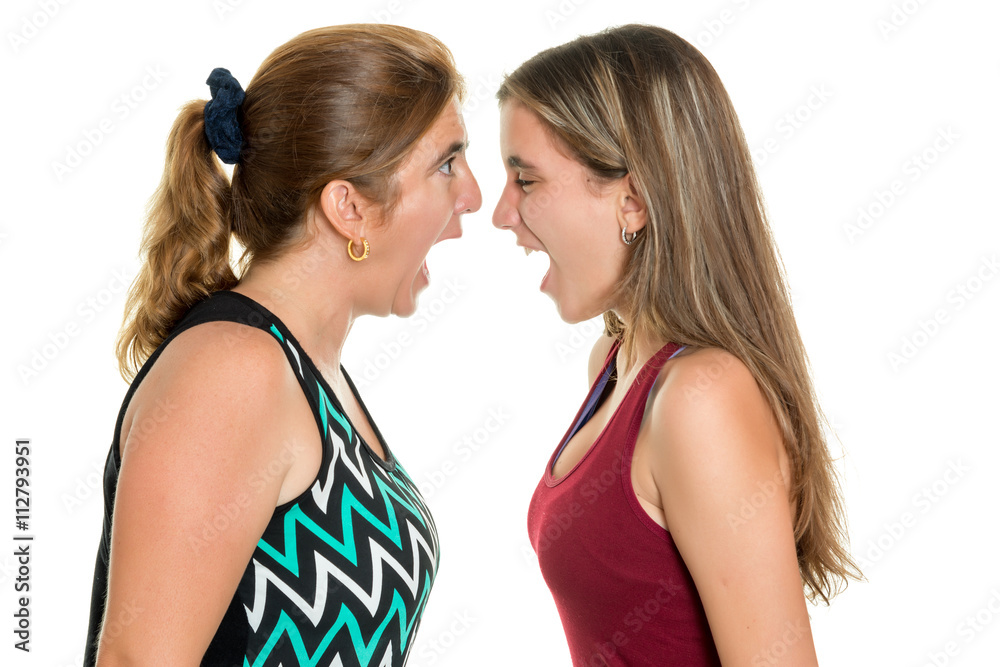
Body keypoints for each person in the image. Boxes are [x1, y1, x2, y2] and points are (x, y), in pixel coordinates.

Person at [84, 24, 481, 666]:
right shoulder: (232, 371)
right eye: (446, 163)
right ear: (347, 208)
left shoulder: (307, 371)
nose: (473, 196)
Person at [492, 24, 859, 666]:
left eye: (526, 181)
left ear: (632, 201)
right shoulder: (612, 362)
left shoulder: (699, 398)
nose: (501, 213)